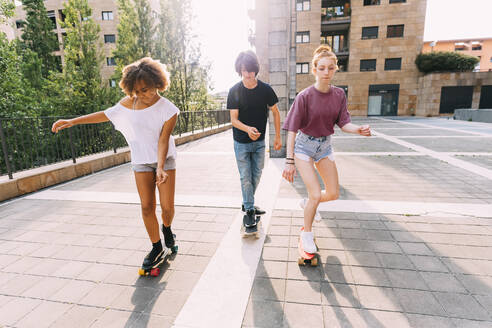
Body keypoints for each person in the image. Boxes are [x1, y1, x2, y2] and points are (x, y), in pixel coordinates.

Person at [51, 57, 180, 270]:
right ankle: (156, 246)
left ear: (157, 82)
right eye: (137, 91)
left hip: (163, 160)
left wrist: (159, 167)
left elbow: (163, 140)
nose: (142, 95)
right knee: (147, 206)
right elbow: (105, 115)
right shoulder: (130, 103)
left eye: (146, 89)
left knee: (167, 208)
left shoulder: (169, 109)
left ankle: (167, 228)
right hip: (140, 160)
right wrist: (73, 121)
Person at [282, 45, 371, 253]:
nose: (326, 72)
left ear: (335, 69)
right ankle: (307, 235)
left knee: (332, 193)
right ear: (314, 70)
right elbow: (292, 131)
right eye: (321, 68)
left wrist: (358, 130)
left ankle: (307, 203)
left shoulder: (339, 95)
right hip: (304, 146)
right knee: (315, 194)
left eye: (330, 68)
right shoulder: (304, 96)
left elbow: (344, 124)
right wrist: (289, 161)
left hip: (324, 146)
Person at [227, 50, 282, 230]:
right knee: (246, 178)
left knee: (256, 175)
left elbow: (275, 112)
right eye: (244, 70)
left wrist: (278, 137)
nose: (248, 74)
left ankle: (247, 201)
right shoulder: (234, 91)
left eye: (251, 70)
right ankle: (249, 211)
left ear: (255, 69)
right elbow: (234, 120)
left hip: (259, 143)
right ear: (239, 70)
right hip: (241, 142)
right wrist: (247, 129)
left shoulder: (265, 89)